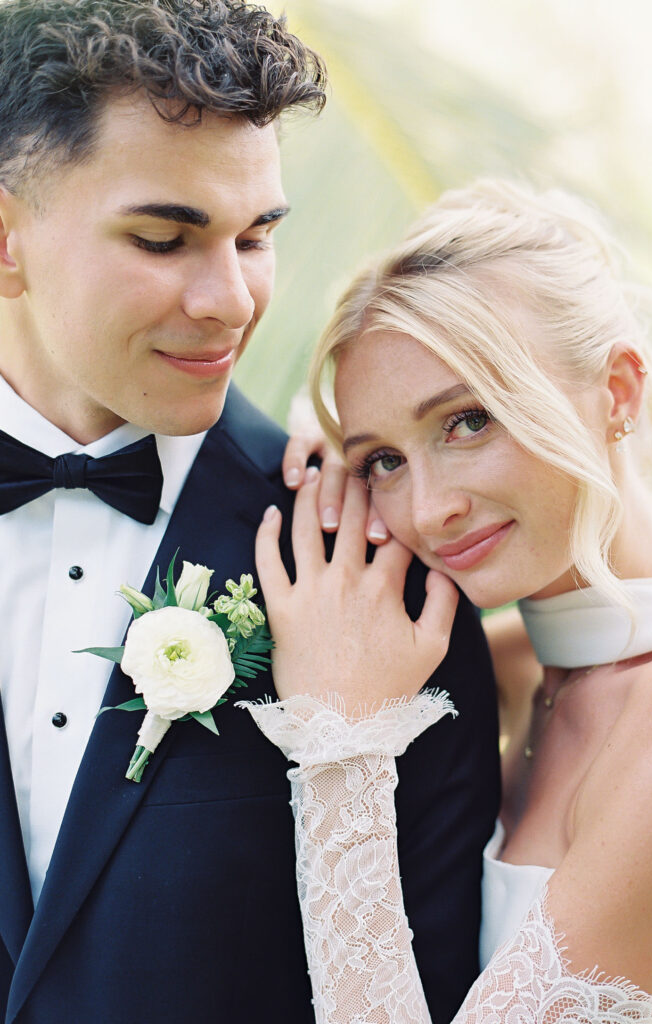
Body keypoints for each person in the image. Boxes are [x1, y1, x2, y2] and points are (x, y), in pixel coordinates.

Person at [0, 3, 500, 1021]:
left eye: (258, 235)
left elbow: (432, 981)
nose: (231, 300)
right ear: (7, 238)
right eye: (163, 238)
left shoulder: (372, 567)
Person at [245, 178, 652, 1022]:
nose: (426, 509)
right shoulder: (518, 669)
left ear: (617, 393)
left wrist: (342, 747)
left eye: (468, 421)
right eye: (384, 461)